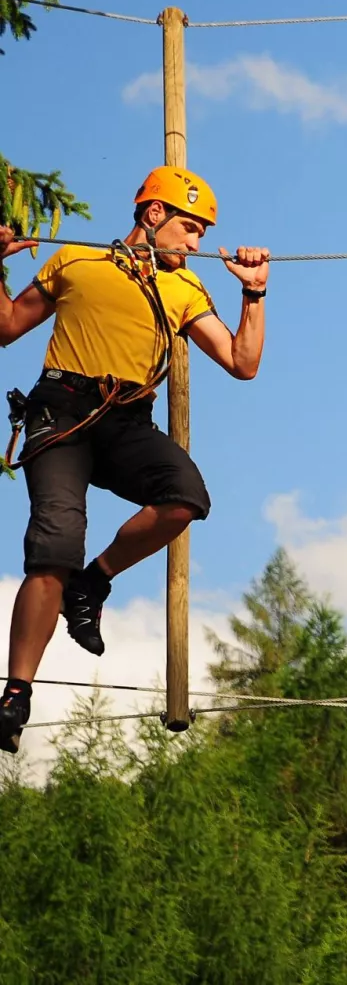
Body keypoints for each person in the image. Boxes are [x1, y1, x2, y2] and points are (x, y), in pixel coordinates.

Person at [0, 166, 270, 753]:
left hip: (126, 420)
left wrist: (253, 291)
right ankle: (15, 695)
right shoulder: (75, 261)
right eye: (191, 228)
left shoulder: (185, 289)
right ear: (154, 216)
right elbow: (5, 326)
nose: (197, 243)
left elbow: (242, 362)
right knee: (54, 545)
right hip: (63, 412)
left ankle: (91, 585)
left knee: (185, 498)